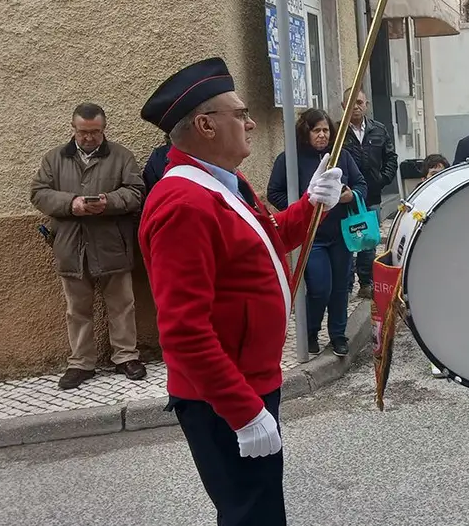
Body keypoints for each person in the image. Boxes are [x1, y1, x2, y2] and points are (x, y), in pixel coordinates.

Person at [137, 57, 344, 524]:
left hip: (248, 380)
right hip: (223, 396)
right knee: (252, 515)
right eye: (240, 114)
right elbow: (183, 331)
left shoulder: (221, 183)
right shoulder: (184, 203)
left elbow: (269, 238)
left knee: (259, 509)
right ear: (206, 125)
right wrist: (243, 411)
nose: (251, 123)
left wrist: (313, 204)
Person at [29, 103, 146, 390]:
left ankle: (126, 357)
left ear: (104, 129)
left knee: (122, 304)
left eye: (95, 132)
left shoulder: (121, 156)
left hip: (111, 244)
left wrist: (109, 202)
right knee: (77, 308)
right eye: (83, 132)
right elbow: (38, 193)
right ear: (74, 128)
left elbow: (136, 192)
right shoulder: (54, 158)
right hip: (71, 245)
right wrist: (72, 204)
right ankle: (81, 362)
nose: (89, 138)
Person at [269, 109, 368, 358]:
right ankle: (311, 331)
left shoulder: (341, 157)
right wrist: (303, 208)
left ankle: (338, 335)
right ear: (306, 132)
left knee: (340, 288)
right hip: (312, 237)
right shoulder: (289, 159)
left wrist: (349, 196)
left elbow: (361, 185)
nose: (322, 135)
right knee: (320, 287)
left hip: (340, 235)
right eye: (317, 130)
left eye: (326, 130)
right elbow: (274, 193)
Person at [339, 88, 397, 300]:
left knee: (368, 240)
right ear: (343, 106)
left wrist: (382, 180)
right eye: (351, 102)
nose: (356, 106)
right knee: (345, 241)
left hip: (371, 196)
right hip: (344, 198)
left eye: (360, 102)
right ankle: (345, 285)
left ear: (367, 105)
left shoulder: (378, 129)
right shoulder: (337, 132)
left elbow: (391, 158)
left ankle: (366, 282)